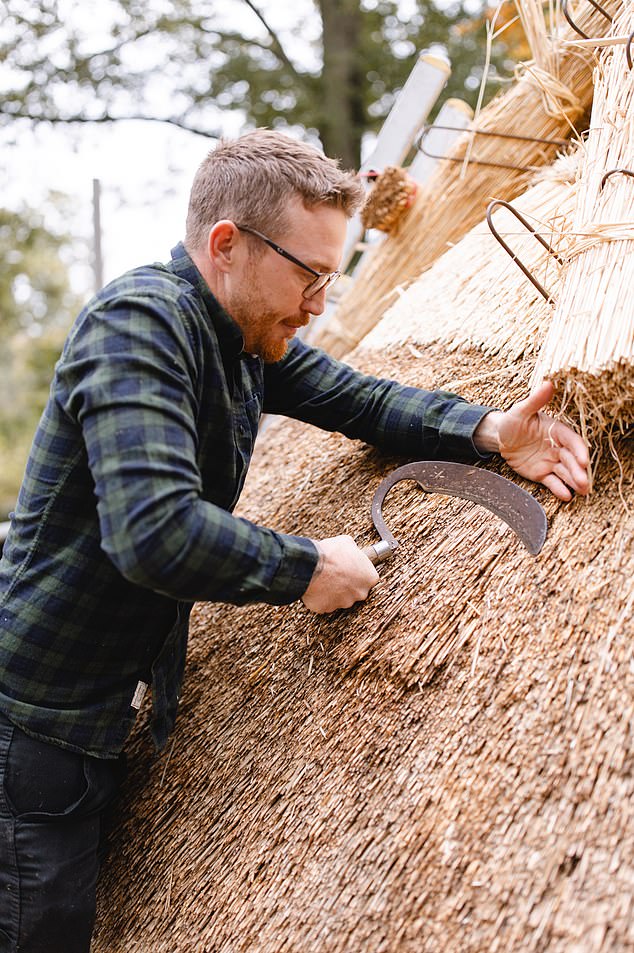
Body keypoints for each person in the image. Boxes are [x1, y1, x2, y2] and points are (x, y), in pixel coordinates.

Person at [0, 129, 589, 952]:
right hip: (33, 735)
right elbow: (154, 530)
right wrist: (305, 565)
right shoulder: (139, 327)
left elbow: (357, 398)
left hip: (92, 726)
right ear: (226, 245)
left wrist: (490, 430)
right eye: (308, 275)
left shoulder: (244, 339)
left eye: (331, 278)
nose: (319, 303)